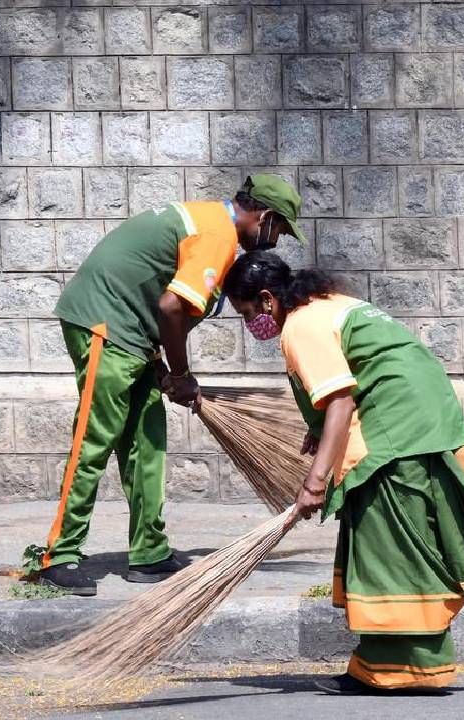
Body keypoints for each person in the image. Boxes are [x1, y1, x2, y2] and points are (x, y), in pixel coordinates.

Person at [223, 251, 464, 695]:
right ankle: (378, 665)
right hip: (421, 418)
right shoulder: (328, 303)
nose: (251, 323)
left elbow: (340, 401)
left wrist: (314, 482)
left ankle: (403, 671)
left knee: (392, 547)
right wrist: (320, 437)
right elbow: (358, 374)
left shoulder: (301, 326)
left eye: (247, 312)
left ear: (268, 299)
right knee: (395, 540)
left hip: (394, 431)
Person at [39, 175, 306, 596]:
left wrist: (162, 366)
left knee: (147, 441)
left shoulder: (209, 223)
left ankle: (148, 552)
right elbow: (170, 307)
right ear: (265, 216)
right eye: (280, 229)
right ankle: (59, 554)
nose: (277, 239)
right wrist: (180, 375)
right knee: (95, 438)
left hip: (131, 332)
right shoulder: (217, 235)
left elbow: (159, 302)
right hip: (102, 324)